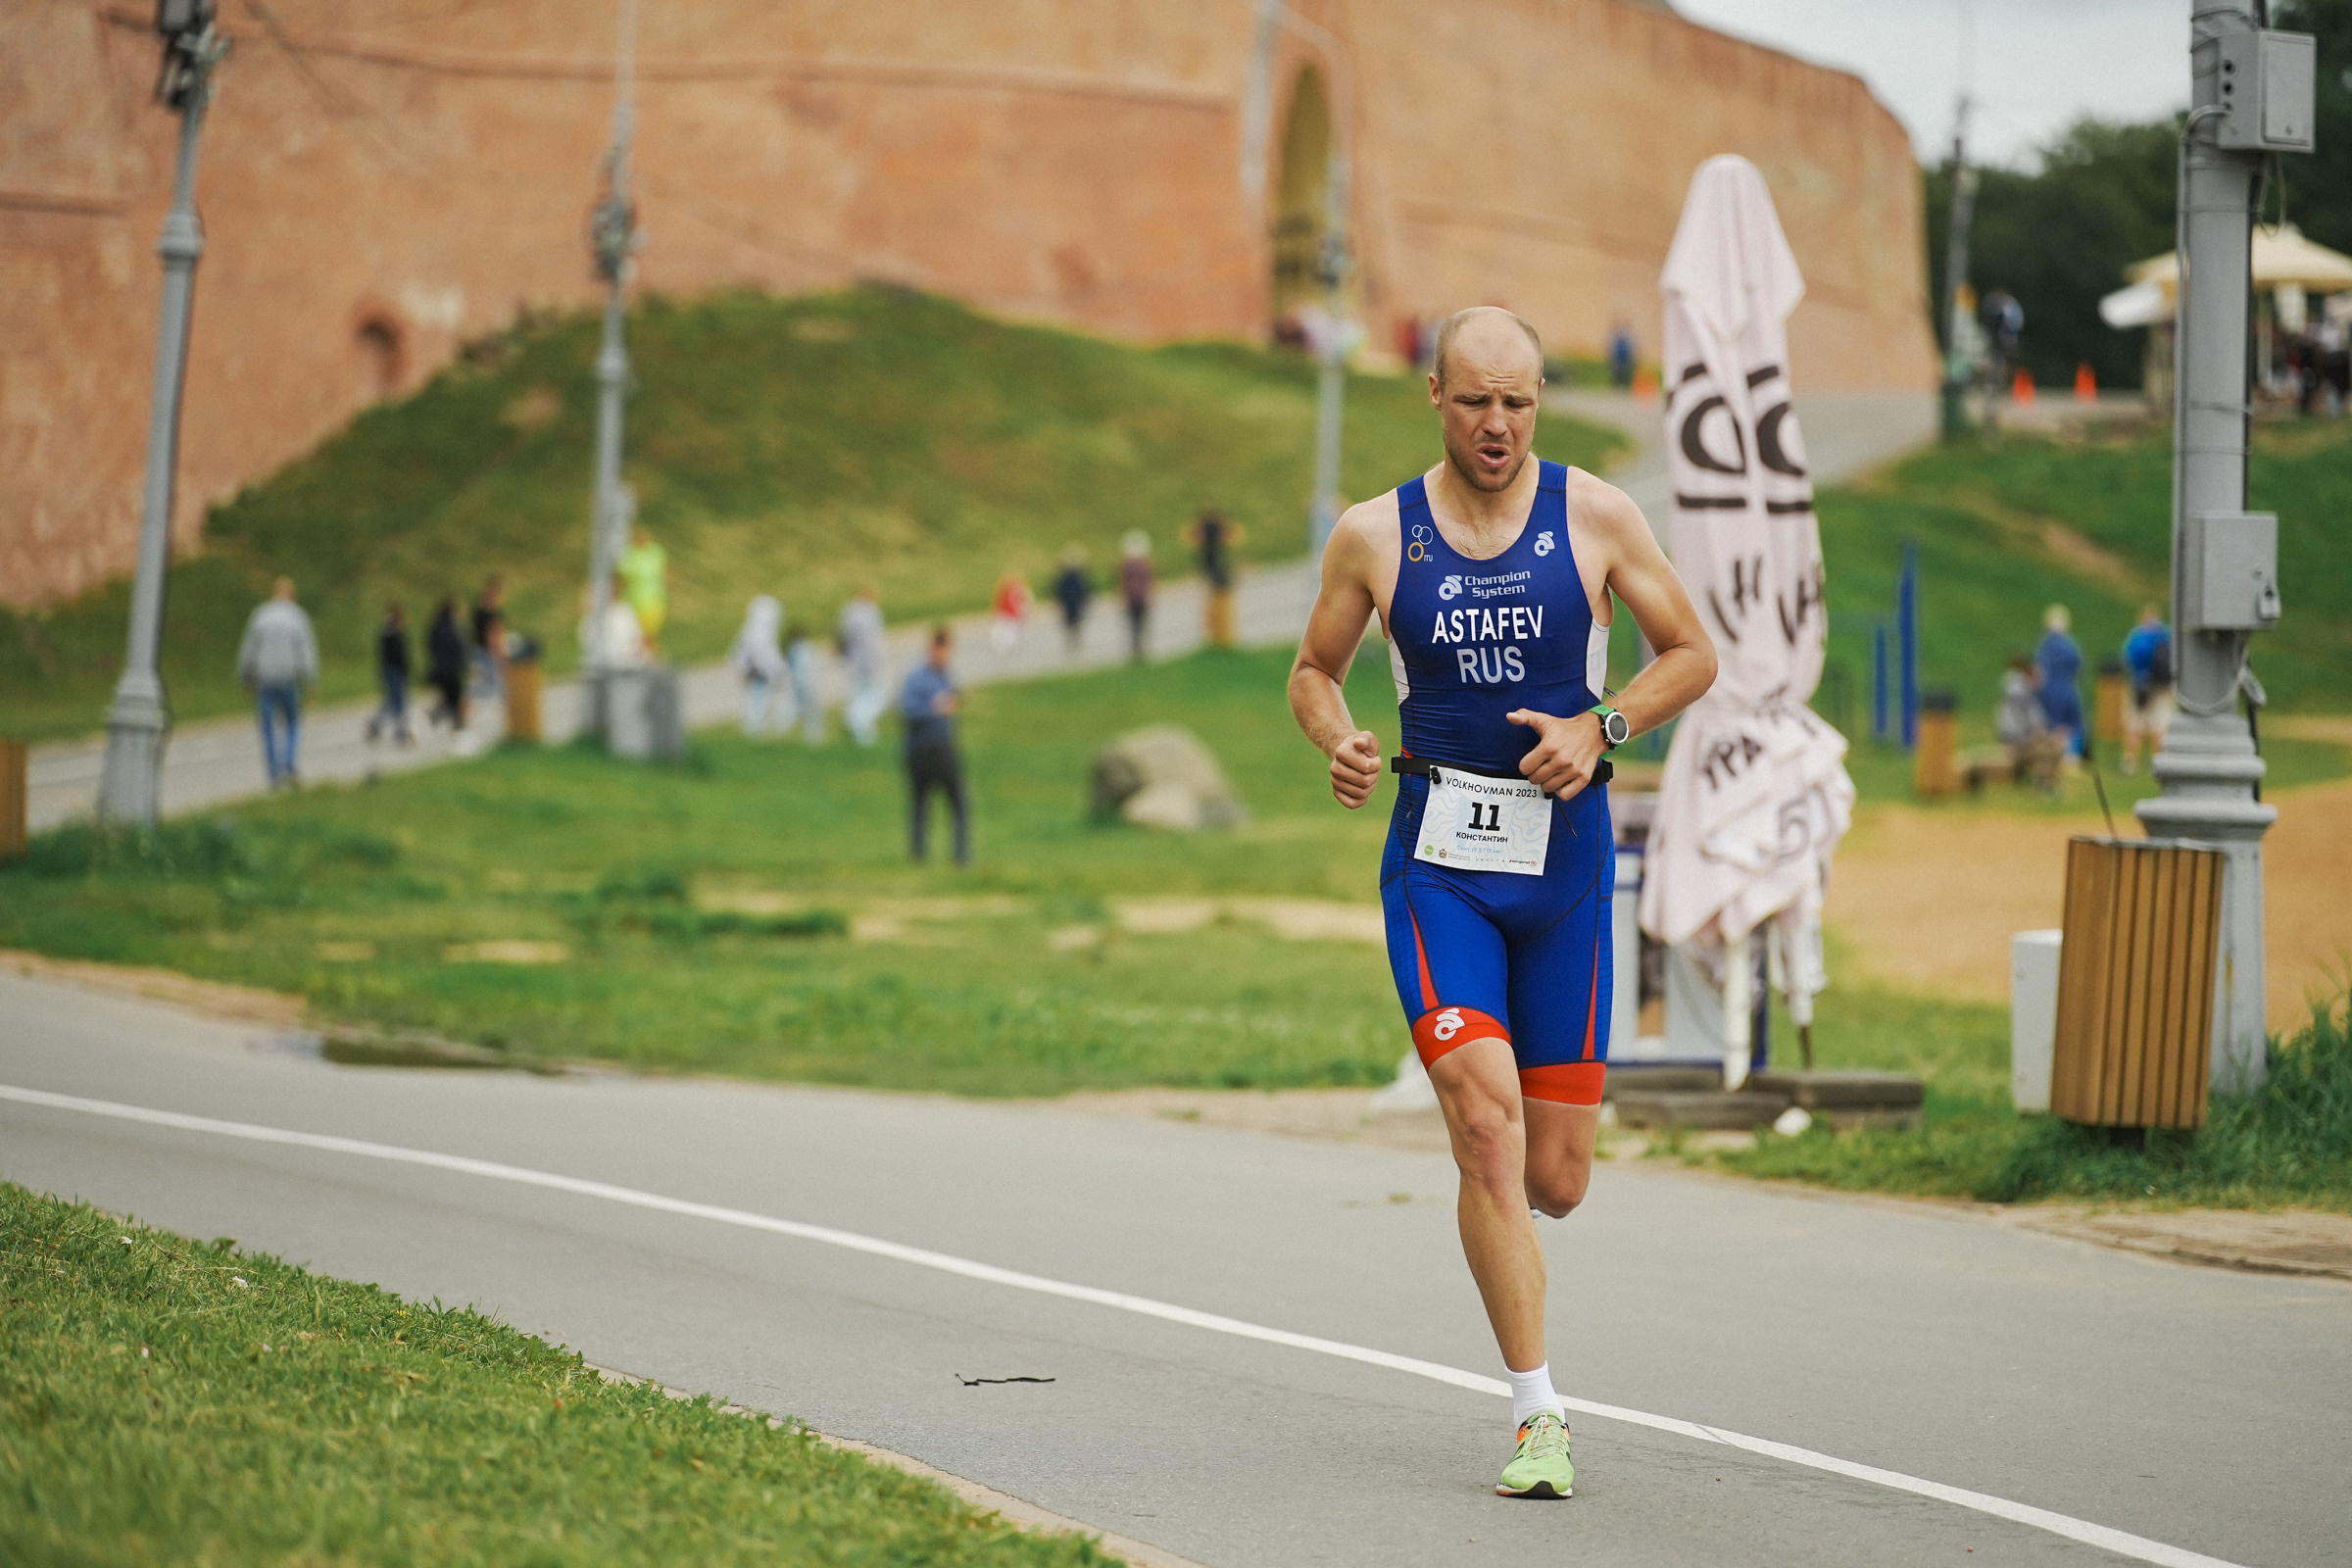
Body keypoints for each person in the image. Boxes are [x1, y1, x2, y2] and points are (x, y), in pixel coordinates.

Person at [1287, 306, 1714, 1500]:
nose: (1498, 425)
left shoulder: (1597, 514)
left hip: (1566, 868)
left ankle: (1505, 1206)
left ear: (1542, 400)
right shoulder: (1377, 534)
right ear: (1435, 395)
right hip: (1438, 860)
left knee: (1555, 1176)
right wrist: (1340, 738)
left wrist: (1604, 723)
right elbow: (1313, 669)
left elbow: (1691, 651)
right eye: (1475, 401)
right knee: (1485, 1125)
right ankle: (1538, 1415)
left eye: (1519, 403)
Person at [236, 576, 319, 789]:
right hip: (289, 678)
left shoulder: (261, 615)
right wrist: (311, 680)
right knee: (292, 722)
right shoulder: (297, 617)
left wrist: (245, 677)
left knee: (268, 725)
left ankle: (273, 771)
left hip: (265, 679)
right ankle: (289, 764)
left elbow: (249, 649)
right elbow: (306, 651)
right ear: (291, 595)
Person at [900, 624, 969, 865]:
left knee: (959, 801)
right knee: (920, 803)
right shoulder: (917, 678)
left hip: (943, 746)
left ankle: (960, 856)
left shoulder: (947, 676)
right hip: (922, 748)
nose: (942, 655)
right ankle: (918, 856)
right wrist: (934, 709)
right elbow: (906, 709)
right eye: (938, 649)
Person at [2120, 604, 2174, 774]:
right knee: (2160, 726)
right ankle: (2159, 762)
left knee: (2135, 724)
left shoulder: (2137, 636)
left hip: (2139, 687)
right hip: (2163, 689)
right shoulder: (2165, 635)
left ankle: (2129, 761)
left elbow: (2127, 659)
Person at [1995, 650, 2060, 792]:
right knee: (2048, 751)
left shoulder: (2024, 692)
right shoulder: (2020, 693)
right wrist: (2041, 735)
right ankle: (2046, 786)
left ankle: (2046, 784)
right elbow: (2023, 724)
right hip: (2016, 741)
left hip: (2019, 738)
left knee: (2050, 745)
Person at [731, 594, 789, 736]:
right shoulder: (759, 632)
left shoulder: (751, 629)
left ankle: (755, 730)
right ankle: (755, 731)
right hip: (759, 674)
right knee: (758, 702)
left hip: (756, 673)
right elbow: (762, 656)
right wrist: (775, 672)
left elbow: (739, 652)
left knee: (757, 702)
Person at [839, 584, 888, 746]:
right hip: (868, 660)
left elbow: (844, 636)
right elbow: (873, 640)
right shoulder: (870, 613)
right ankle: (857, 722)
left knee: (860, 694)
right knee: (875, 696)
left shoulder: (849, 612)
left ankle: (862, 729)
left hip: (856, 660)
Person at [1188, 509, 1244, 648]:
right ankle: (1222, 636)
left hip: (1211, 571)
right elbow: (1232, 535)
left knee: (1212, 604)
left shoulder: (1204, 531)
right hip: (1219, 571)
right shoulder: (1219, 529)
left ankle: (1217, 636)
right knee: (1220, 605)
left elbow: (1193, 536)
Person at [2035, 604, 2085, 760]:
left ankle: (2054, 755)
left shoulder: (2044, 645)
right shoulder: (2070, 644)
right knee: (2073, 724)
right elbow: (2079, 665)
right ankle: (2071, 754)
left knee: (2053, 724)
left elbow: (2038, 670)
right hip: (2069, 690)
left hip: (2049, 691)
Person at [617, 523, 668, 653]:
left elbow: (666, 570)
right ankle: (653, 659)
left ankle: (653, 659)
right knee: (638, 637)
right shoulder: (629, 555)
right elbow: (622, 578)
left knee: (647, 636)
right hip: (634, 602)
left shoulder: (655, 551)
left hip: (654, 601)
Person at [368, 601, 414, 745]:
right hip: (394, 671)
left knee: (391, 702)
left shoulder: (388, 634)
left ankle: (376, 724)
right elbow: (398, 656)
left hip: (391, 671)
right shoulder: (392, 635)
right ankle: (400, 731)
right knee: (398, 703)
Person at [425, 596, 470, 731]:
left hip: (441, 668)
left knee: (450, 697)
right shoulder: (451, 628)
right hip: (450, 669)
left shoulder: (436, 625)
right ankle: (456, 724)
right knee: (455, 698)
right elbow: (458, 647)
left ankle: (437, 715)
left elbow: (430, 645)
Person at [784, 612, 823, 744]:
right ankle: (814, 738)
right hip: (807, 683)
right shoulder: (806, 647)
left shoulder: (793, 648)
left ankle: (781, 730)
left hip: (799, 683)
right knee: (811, 712)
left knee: (794, 708)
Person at [469, 574, 509, 702]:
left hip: (483, 651)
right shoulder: (485, 613)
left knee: (492, 684)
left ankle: (460, 702)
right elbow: (491, 636)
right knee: (491, 685)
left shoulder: (489, 612)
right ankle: (461, 701)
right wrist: (500, 654)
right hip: (485, 652)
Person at [1119, 530, 1154, 662]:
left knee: (1133, 625)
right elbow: (1149, 581)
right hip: (1141, 598)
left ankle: (1136, 648)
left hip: (1131, 599)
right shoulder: (1146, 564)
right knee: (1141, 624)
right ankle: (1139, 649)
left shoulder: (1125, 565)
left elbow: (1122, 583)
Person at [1052, 547, 1092, 655]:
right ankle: (1074, 642)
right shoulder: (1077, 576)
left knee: (1072, 625)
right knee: (1073, 625)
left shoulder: (1066, 576)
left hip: (1071, 604)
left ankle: (1073, 642)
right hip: (1072, 604)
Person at [990, 569, 1033, 651]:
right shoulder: (1009, 593)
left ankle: (1006, 647)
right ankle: (1001, 646)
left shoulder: (1019, 593)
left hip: (1011, 617)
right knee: (1001, 633)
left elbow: (1024, 606)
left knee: (1010, 634)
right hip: (1006, 616)